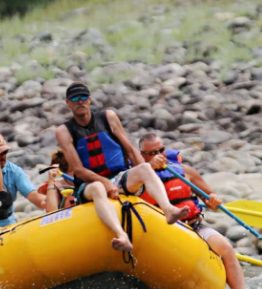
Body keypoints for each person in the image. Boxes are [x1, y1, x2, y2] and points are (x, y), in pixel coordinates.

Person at [56, 82, 190, 252]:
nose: (80, 101)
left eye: (83, 97)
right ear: (68, 103)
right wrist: (105, 182)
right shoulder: (64, 131)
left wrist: (144, 172)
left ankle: (169, 210)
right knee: (97, 187)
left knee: (145, 168)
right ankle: (121, 235)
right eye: (75, 98)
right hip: (89, 185)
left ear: (89, 100)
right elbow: (79, 169)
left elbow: (130, 150)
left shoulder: (108, 117)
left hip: (118, 176)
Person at [138, 132, 252, 289]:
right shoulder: (137, 177)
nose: (158, 155)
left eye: (161, 150)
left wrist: (214, 200)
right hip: (161, 232)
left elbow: (210, 200)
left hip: (193, 226)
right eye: (151, 153)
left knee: (227, 249)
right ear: (142, 155)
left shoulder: (186, 172)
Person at [0, 133, 46, 227]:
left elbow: (35, 197)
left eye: (5, 152)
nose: (3, 156)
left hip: (7, 222)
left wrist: (53, 197)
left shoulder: (14, 171)